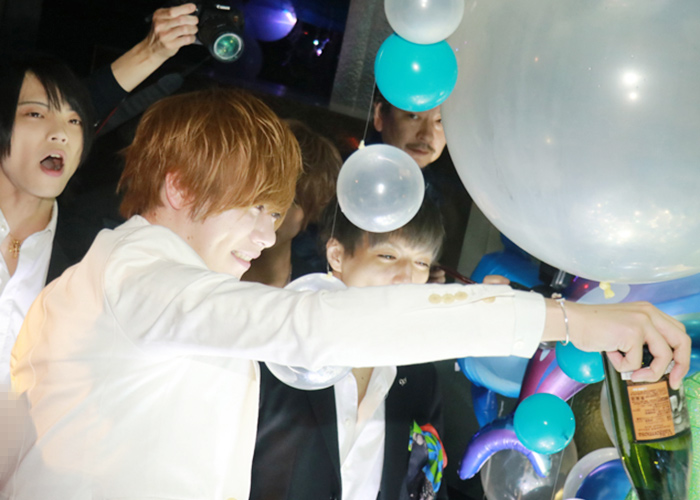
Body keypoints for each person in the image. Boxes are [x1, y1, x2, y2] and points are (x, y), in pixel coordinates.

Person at [3, 86, 690, 500]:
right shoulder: (135, 273)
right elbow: (315, 326)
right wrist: (567, 320)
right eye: (254, 208)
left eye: (275, 214)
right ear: (181, 187)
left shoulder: (118, 283)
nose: (264, 235)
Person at [250, 196, 451, 500]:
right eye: (388, 255)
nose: (406, 278)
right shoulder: (279, 352)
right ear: (337, 255)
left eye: (421, 263)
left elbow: (427, 486)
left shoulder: (420, 378)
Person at [371, 92, 471, 276]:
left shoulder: (447, 196)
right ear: (380, 115)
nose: (426, 135)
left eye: (440, 121)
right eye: (413, 116)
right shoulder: (346, 182)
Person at [242, 119, 341, 287]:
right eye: (266, 191)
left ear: (313, 210)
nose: (273, 208)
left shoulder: (313, 291)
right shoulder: (207, 266)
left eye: (292, 200)